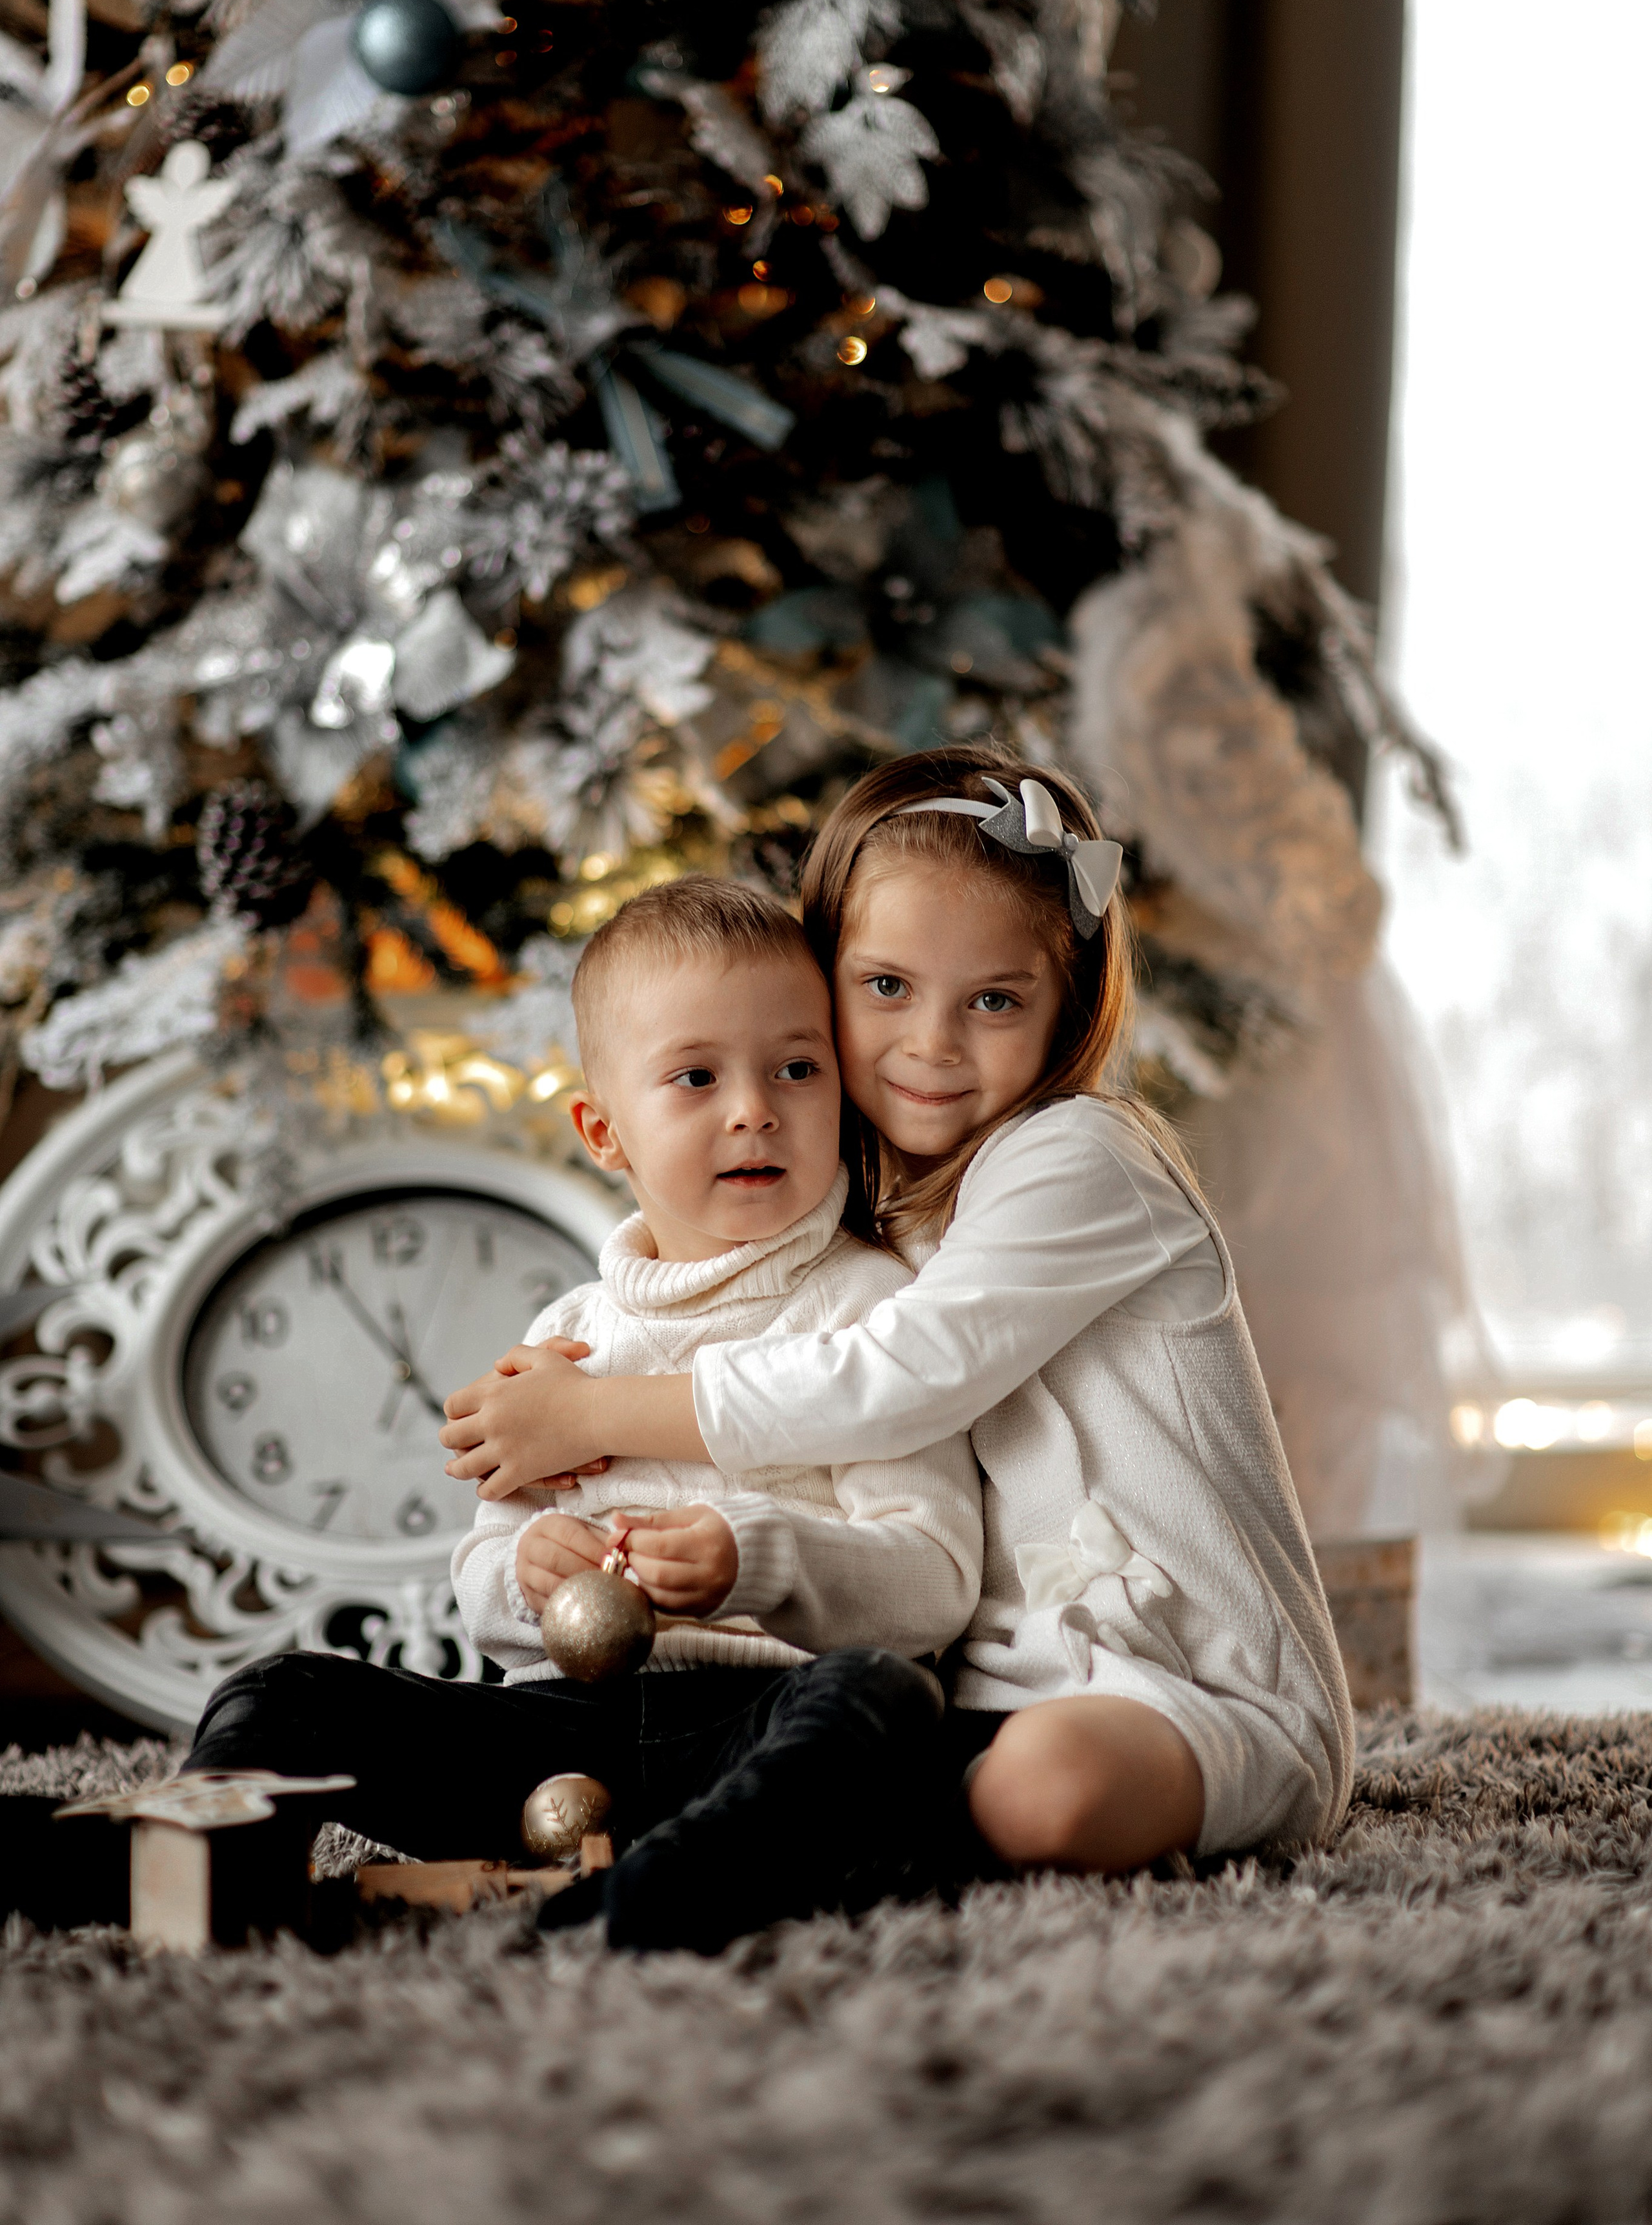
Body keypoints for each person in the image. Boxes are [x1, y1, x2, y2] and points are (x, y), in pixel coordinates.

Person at [442, 744, 1356, 1877]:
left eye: (995, 1001)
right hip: (984, 1690)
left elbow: (893, 1378)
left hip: (1199, 1683)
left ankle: (744, 1851)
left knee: (1037, 1794)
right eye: (885, 989)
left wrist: (590, 1414)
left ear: (1068, 1009)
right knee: (852, 1756)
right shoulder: (860, 1195)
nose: (932, 1044)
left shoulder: (1082, 1155)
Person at [186, 877, 983, 1953]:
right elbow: (483, 1579)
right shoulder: (569, 1335)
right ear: (604, 1134)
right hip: (556, 1738)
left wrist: (757, 1561)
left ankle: (685, 1879)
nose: (755, 1109)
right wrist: (528, 1574)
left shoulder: (872, 1309)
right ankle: (177, 1860)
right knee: (280, 1692)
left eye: (798, 1069)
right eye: (696, 1077)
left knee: (889, 1699)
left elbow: (934, 1583)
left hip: (757, 1724)